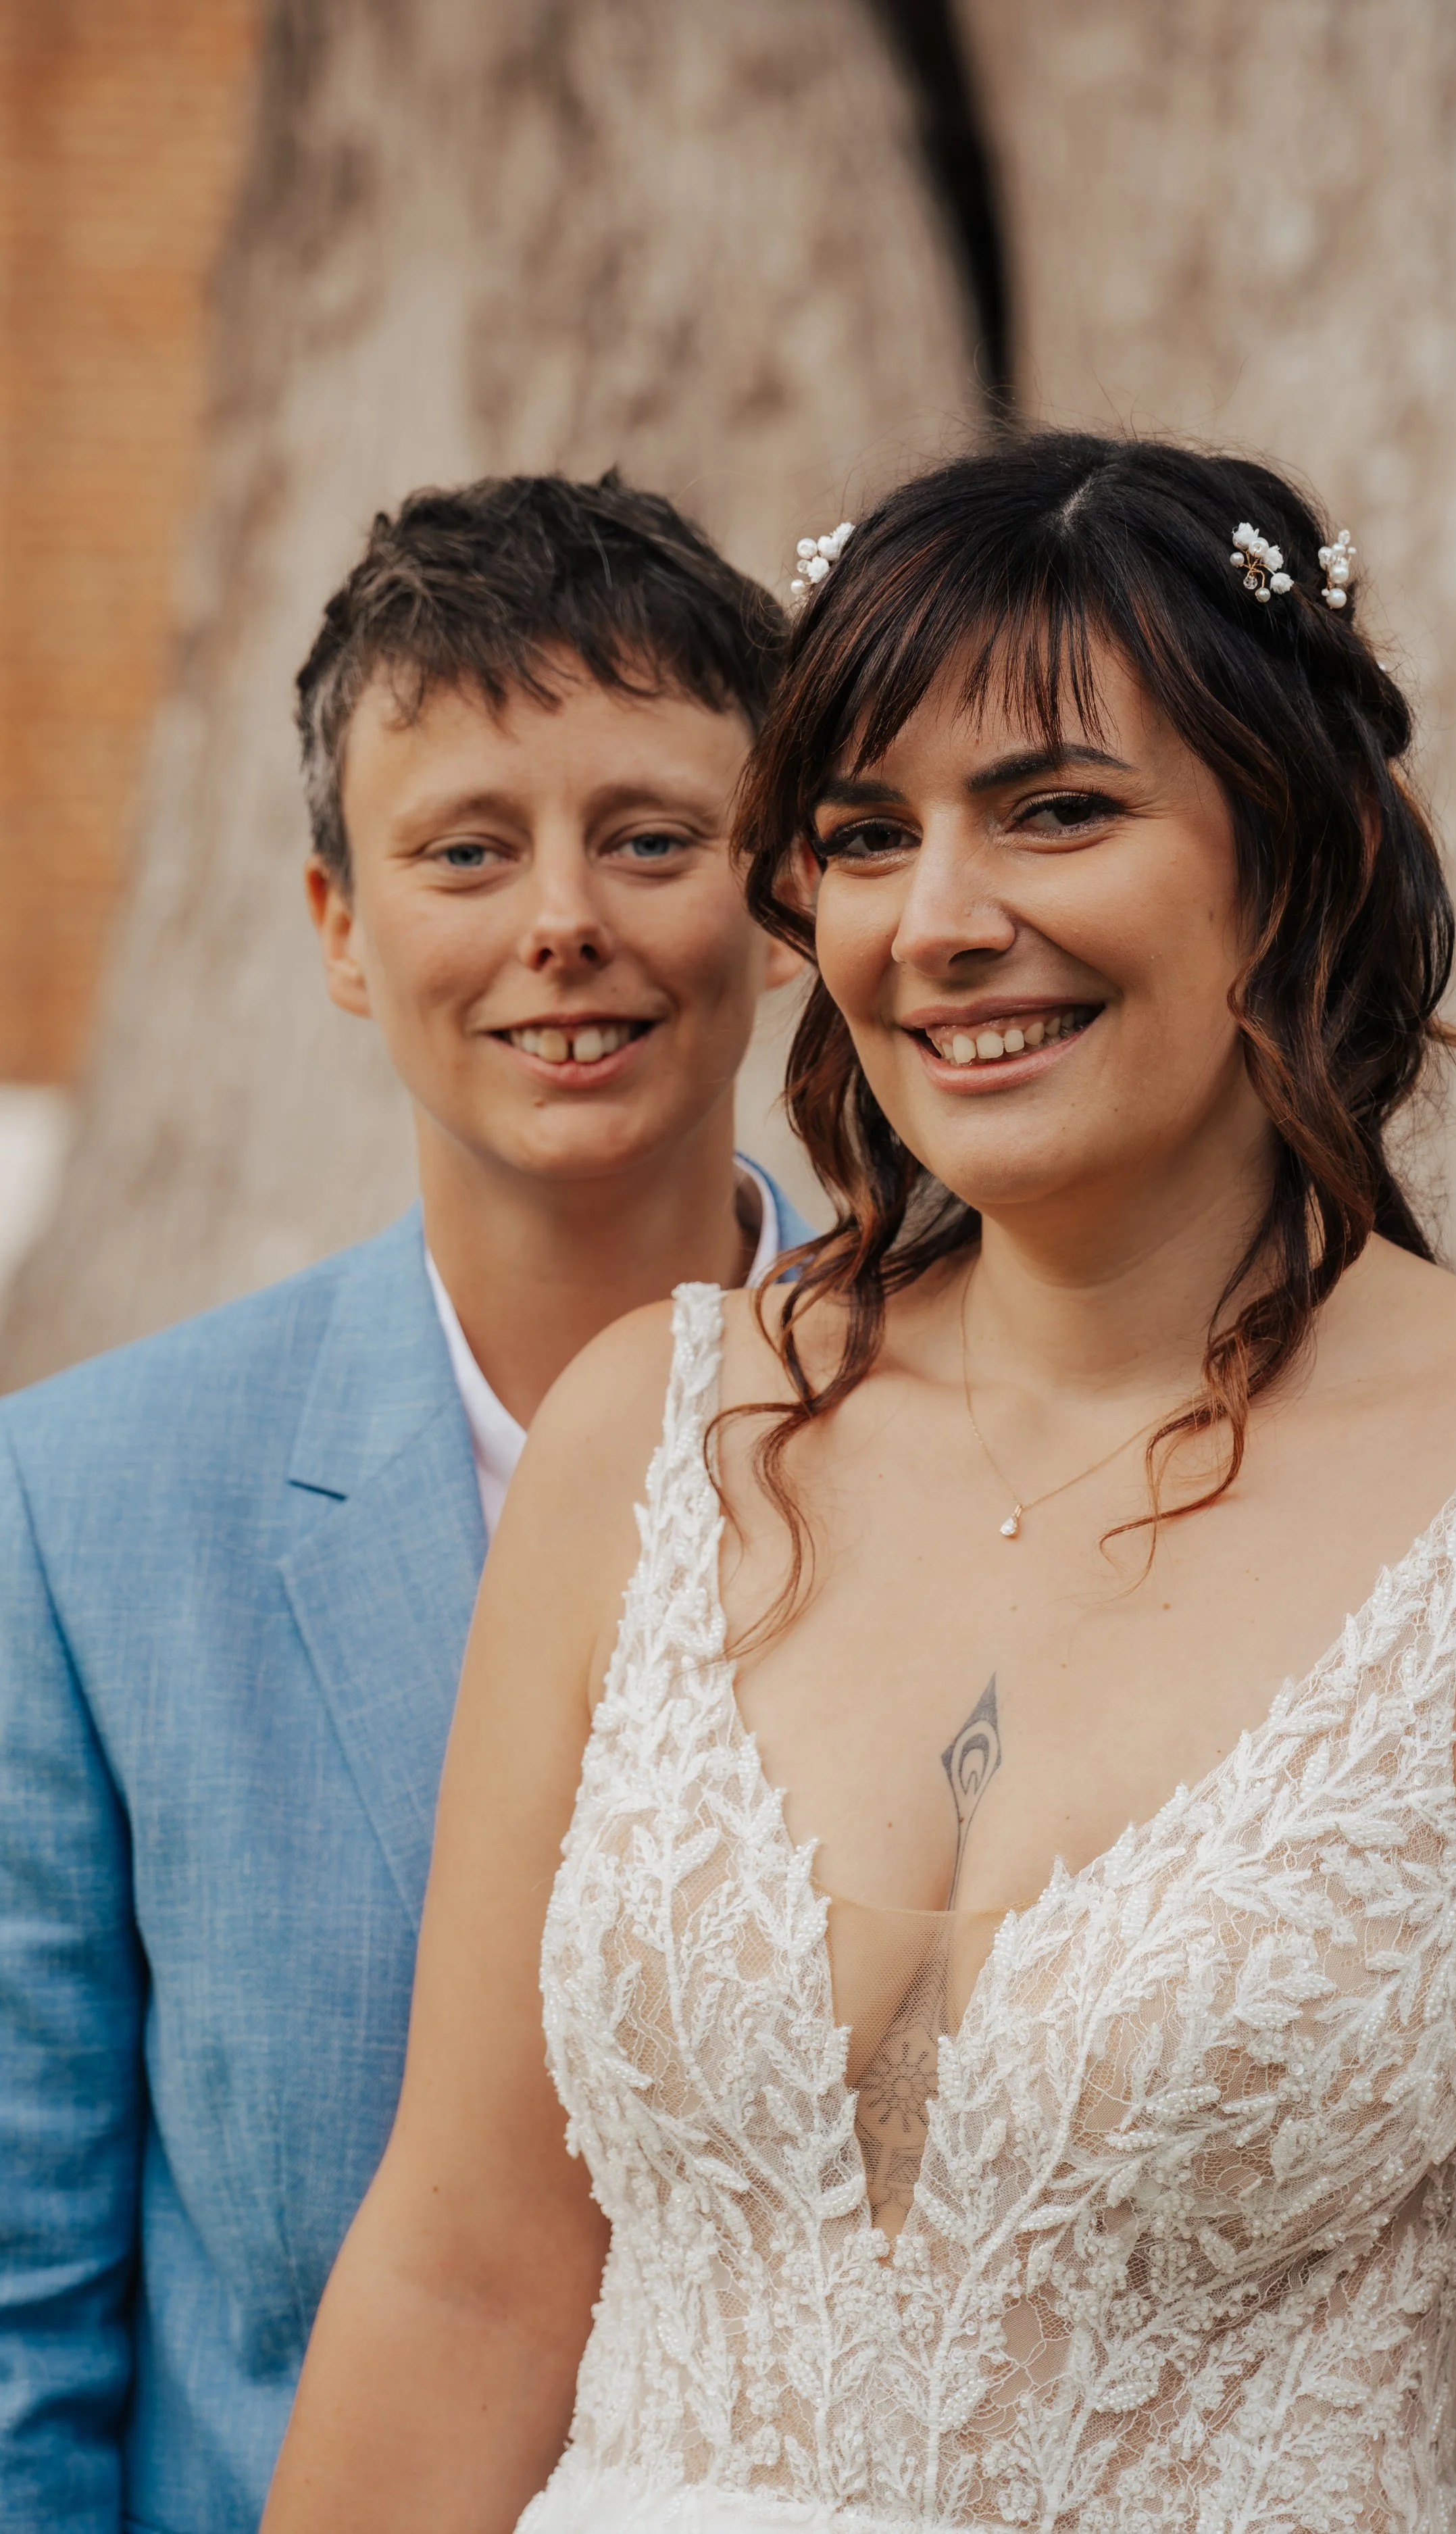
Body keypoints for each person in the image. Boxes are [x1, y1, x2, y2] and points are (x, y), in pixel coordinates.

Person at [263, 434, 1456, 2534]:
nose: (938, 922)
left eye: (1055, 811)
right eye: (863, 835)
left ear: (1286, 859)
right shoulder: (645, 1439)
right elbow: (465, 2273)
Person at [0, 470, 812, 2534]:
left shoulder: (991, 1442)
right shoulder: (87, 1510)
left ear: (786, 893)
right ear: (340, 929)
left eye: (649, 838)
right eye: (467, 849)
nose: (566, 920)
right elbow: (30, 2319)